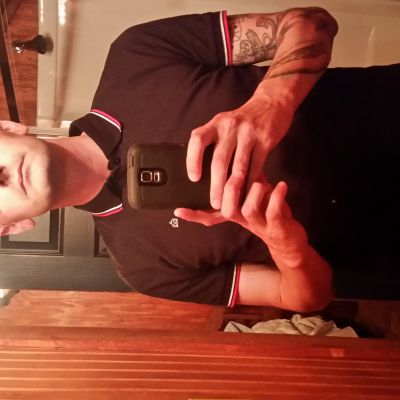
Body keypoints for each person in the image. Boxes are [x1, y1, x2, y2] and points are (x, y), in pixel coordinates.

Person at [1, 7, 399, 311]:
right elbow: (307, 299)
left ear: (8, 127)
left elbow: (313, 23)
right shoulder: (144, 269)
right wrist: (286, 247)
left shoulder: (135, 55)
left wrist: (272, 102)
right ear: (12, 226)